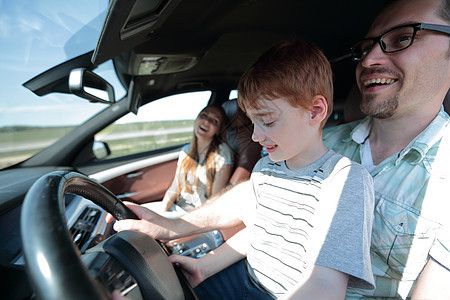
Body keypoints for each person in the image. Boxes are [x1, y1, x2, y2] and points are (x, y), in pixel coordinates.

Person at [110, 40, 375, 299]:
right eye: (253, 123)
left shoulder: (344, 180)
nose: (257, 136)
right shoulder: (267, 168)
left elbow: (326, 285)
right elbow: (260, 233)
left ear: (315, 111)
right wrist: (204, 266)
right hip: (245, 277)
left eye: (268, 122)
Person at [322, 0, 450, 298]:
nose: (367, 61)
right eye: (365, 49)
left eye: (403, 37)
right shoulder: (323, 143)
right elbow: (255, 199)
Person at [150, 104, 233, 216]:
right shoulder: (186, 150)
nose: (207, 122)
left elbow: (214, 201)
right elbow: (175, 186)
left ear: (218, 130)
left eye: (214, 121)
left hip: (198, 217)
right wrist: (161, 213)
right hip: (178, 209)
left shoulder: (222, 154)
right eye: (204, 116)